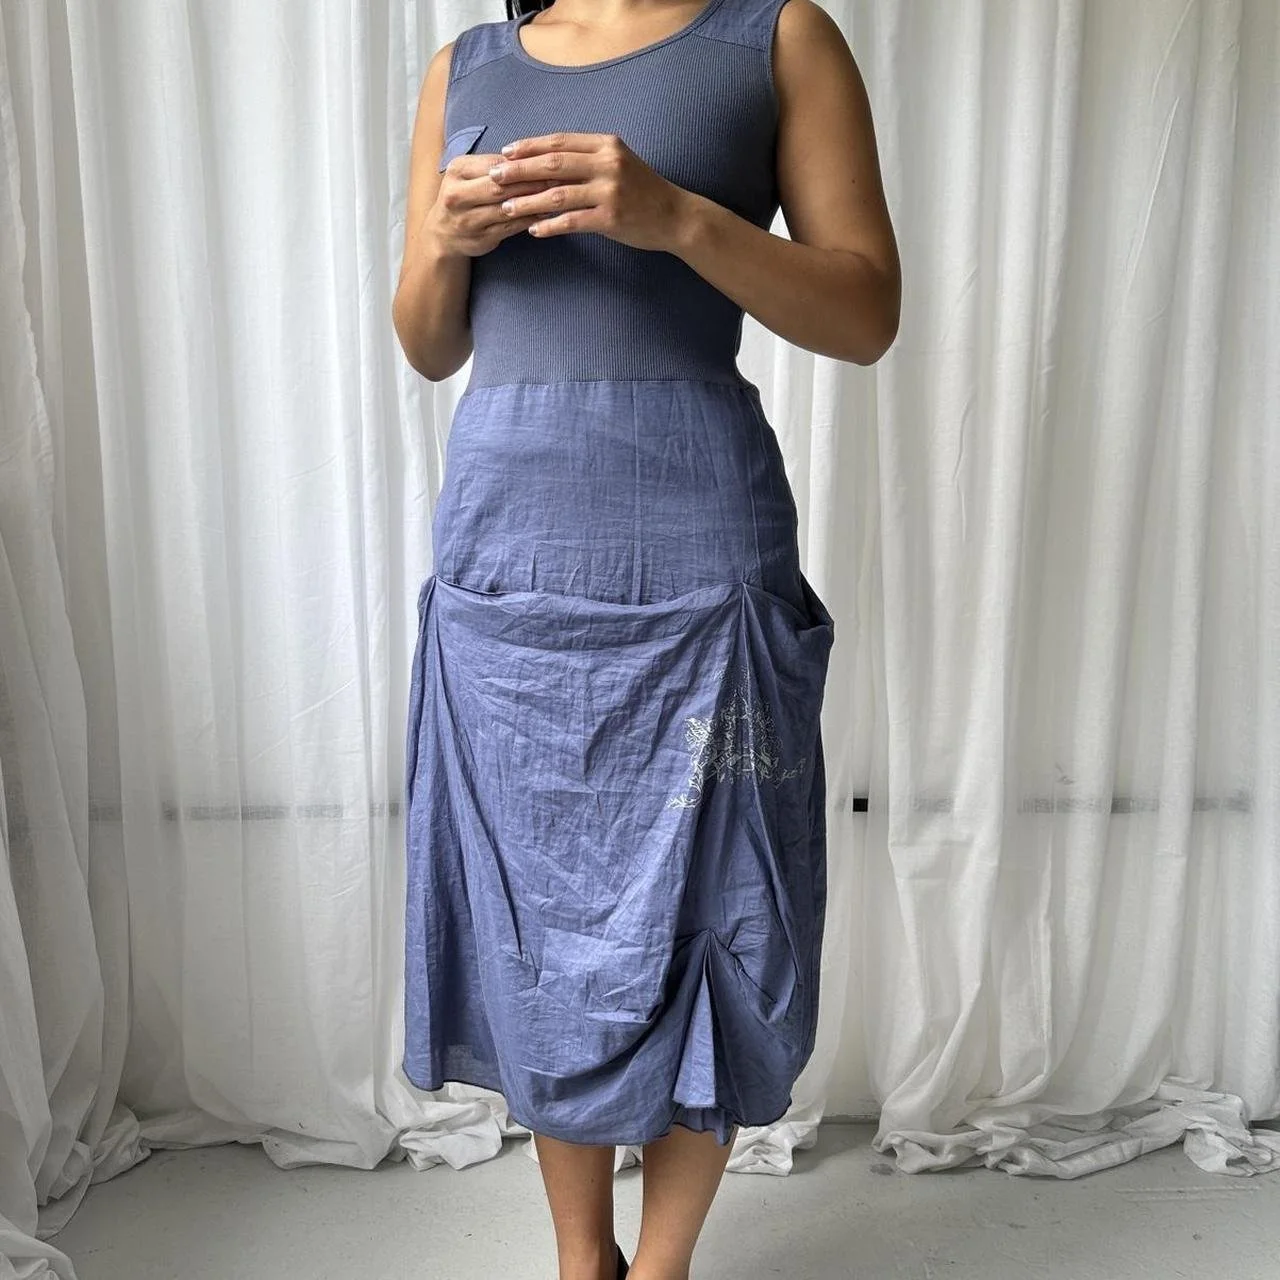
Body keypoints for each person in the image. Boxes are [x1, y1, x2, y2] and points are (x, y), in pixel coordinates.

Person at [393, 0, 899, 1276]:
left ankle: (659, 1264)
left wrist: (676, 217)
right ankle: (583, 1259)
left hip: (697, 541)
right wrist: (443, 244)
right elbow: (428, 341)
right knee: (536, 904)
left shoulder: (776, 37)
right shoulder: (466, 65)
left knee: (712, 891)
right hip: (508, 537)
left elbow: (863, 313)